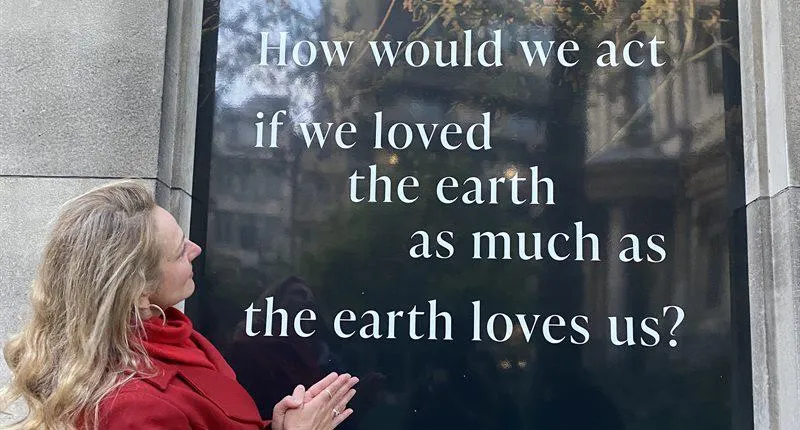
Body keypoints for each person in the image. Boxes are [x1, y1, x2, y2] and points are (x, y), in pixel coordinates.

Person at [0, 180, 358, 429]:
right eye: (179, 250)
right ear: (138, 288)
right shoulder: (134, 408)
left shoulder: (168, 338)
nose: (196, 251)